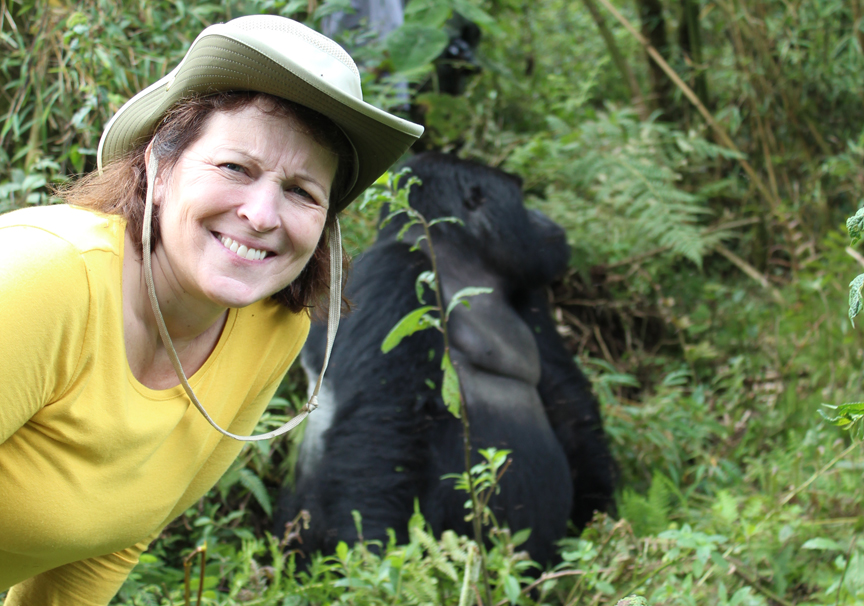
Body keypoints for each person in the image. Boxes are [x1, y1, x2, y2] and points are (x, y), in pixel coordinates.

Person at [0, 14, 422, 604]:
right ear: (158, 165)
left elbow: (119, 535)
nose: (263, 214)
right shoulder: (41, 279)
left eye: (301, 191)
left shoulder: (272, 329)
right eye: (234, 168)